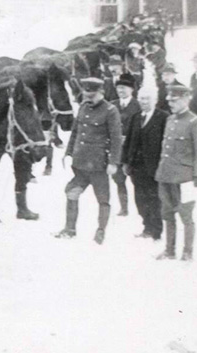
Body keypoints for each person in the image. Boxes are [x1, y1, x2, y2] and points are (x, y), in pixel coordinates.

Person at [55, 77, 122, 245]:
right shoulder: (84, 107)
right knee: (71, 191)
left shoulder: (110, 110)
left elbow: (116, 139)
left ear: (101, 92)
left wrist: (114, 162)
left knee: (102, 199)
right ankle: (69, 229)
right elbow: (76, 131)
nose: (88, 98)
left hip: (99, 165)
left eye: (92, 95)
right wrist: (69, 152)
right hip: (80, 163)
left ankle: (101, 231)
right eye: (86, 94)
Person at [155, 85, 197, 261]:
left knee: (186, 215)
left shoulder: (195, 122)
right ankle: (169, 250)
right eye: (169, 100)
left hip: (184, 178)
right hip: (166, 174)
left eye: (175, 101)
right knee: (167, 213)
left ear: (186, 99)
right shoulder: (170, 120)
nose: (171, 104)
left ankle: (187, 251)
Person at [122, 87, 169, 240]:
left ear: (154, 100)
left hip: (154, 168)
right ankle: (146, 226)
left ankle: (156, 231)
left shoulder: (163, 117)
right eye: (141, 99)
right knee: (140, 199)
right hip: (136, 167)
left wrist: (163, 166)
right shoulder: (135, 117)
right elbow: (128, 141)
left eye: (147, 99)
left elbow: (166, 144)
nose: (143, 102)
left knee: (154, 199)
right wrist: (125, 162)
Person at [110, 73, 141, 216]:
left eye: (123, 88)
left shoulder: (138, 105)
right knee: (118, 180)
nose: (120, 91)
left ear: (131, 90)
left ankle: (142, 208)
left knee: (137, 181)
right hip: (117, 150)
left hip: (133, 150)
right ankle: (124, 208)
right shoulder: (112, 105)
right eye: (118, 88)